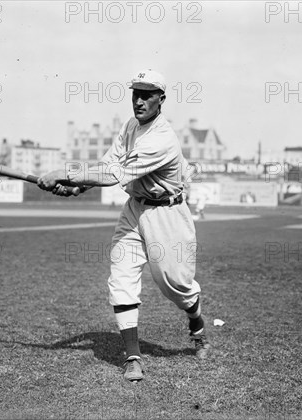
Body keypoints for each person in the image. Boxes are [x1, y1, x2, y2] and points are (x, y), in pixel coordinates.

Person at [37, 69, 210, 382]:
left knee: (177, 285)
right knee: (121, 276)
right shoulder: (131, 125)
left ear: (162, 100)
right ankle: (133, 357)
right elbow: (107, 165)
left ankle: (196, 321)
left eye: (147, 94)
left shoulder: (162, 138)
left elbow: (114, 175)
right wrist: (77, 187)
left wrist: (63, 173)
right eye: (135, 94)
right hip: (135, 209)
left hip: (167, 215)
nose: (139, 100)